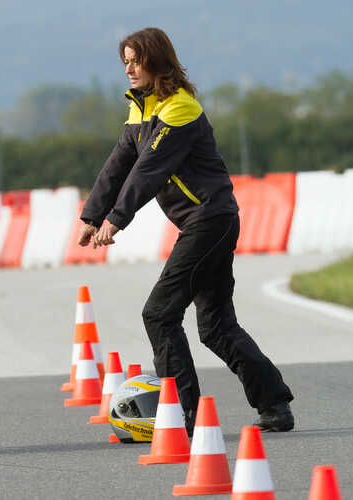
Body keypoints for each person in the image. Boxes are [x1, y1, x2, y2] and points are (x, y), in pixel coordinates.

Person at [77, 27, 294, 433]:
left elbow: (148, 171)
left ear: (156, 60)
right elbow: (118, 164)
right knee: (215, 327)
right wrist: (92, 215)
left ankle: (185, 418)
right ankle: (274, 404)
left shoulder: (180, 107)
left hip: (209, 221)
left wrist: (116, 220)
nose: (128, 68)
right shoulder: (140, 108)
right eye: (124, 61)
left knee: (158, 314)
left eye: (135, 60)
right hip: (206, 222)